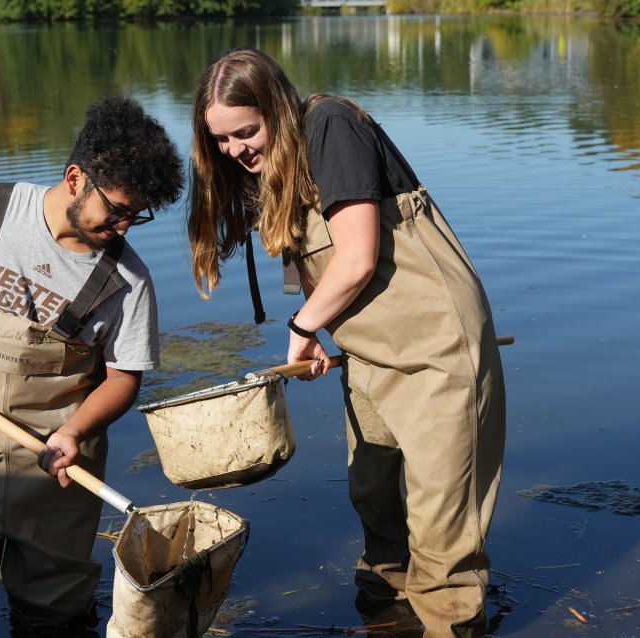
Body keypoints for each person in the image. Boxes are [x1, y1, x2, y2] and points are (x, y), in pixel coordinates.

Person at [186, 48, 507, 636]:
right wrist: (321, 339)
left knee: (442, 519)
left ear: (276, 107)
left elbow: (357, 259)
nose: (235, 151)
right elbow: (327, 277)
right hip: (369, 353)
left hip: (436, 349)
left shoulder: (329, 125)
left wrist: (302, 328)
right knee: (375, 498)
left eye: (246, 132)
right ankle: (385, 617)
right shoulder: (277, 170)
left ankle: (449, 623)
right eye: (221, 141)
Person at [0, 95, 184, 637]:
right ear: (76, 179)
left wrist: (74, 431)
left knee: (56, 605)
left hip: (62, 462)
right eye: (114, 211)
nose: (122, 227)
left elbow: (123, 380)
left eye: (135, 216)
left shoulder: (128, 282)